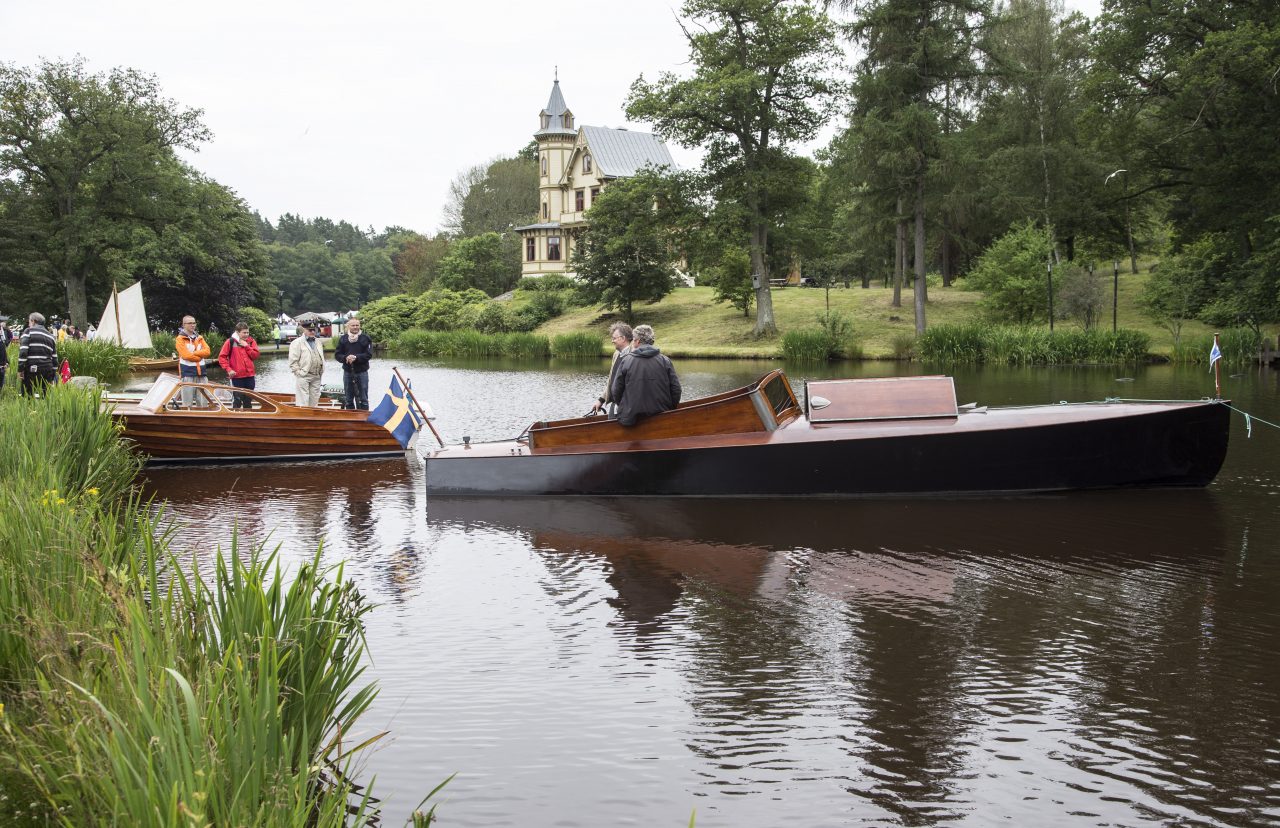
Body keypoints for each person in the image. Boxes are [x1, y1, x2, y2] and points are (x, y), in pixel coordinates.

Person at [611, 324, 681, 427]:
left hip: (631, 419)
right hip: (662, 416)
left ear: (638, 341)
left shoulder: (626, 361)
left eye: (634, 340)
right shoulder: (665, 361)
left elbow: (616, 391)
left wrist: (625, 407)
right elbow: (676, 390)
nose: (633, 343)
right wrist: (670, 409)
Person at [591, 322, 633, 416]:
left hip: (629, 408)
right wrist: (601, 400)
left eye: (614, 338)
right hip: (615, 405)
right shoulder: (616, 354)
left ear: (623, 338)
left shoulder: (634, 355)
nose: (612, 341)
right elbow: (612, 381)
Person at [217, 321, 261, 409]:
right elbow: (222, 357)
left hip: (250, 375)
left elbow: (255, 356)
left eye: (247, 332)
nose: (246, 334)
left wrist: (247, 346)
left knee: (248, 400)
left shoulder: (251, 341)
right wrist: (229, 369)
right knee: (237, 399)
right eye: (244, 332)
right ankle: (235, 418)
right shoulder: (230, 341)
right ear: (237, 332)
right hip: (237, 376)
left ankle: (248, 418)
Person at [334, 317, 373, 410]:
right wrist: (346, 358)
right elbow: (337, 354)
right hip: (348, 372)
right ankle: (350, 420)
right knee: (349, 398)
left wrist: (356, 357)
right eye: (353, 325)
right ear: (348, 326)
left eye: (357, 325)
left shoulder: (366, 338)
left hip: (362, 372)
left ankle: (364, 419)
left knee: (363, 398)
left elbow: (369, 354)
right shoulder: (343, 339)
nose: (355, 327)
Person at [17, 312, 59, 397]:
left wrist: (20, 369)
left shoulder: (28, 331)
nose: (29, 324)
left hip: (31, 368)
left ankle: (27, 409)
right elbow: (55, 358)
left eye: (29, 322)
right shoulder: (51, 336)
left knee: (27, 395)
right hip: (47, 369)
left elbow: (23, 352)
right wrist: (52, 375)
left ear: (33, 321)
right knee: (45, 395)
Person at [174, 315, 212, 408]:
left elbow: (207, 351)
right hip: (187, 373)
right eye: (190, 323)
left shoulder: (200, 337)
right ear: (184, 325)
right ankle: (187, 417)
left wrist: (194, 353)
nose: (192, 325)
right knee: (187, 402)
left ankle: (203, 418)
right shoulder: (180, 339)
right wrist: (199, 357)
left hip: (201, 373)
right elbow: (185, 355)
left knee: (203, 401)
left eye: (194, 323)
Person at [288, 319, 325, 406]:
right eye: (310, 330)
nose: (312, 332)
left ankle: (313, 419)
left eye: (314, 330)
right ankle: (302, 418)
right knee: (303, 401)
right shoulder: (296, 343)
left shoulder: (318, 342)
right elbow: (293, 361)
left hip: (316, 375)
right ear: (304, 330)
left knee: (314, 401)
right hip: (304, 375)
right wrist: (298, 373)